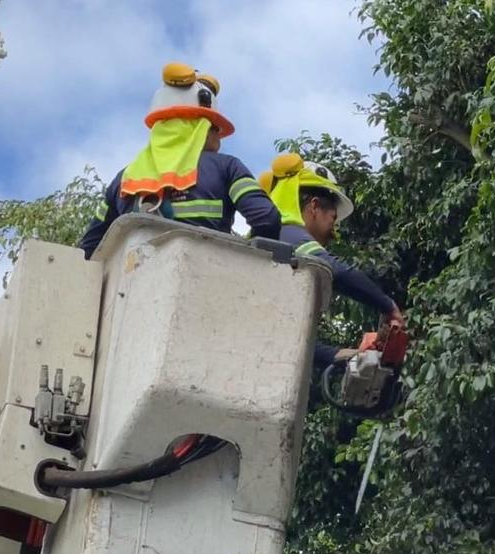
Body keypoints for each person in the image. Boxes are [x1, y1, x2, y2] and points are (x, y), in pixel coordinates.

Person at [79, 62, 280, 259]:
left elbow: (88, 249)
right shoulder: (226, 167)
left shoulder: (123, 180)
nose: (220, 139)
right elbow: (267, 219)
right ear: (202, 127)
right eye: (216, 128)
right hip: (208, 281)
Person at [260, 153, 405, 367]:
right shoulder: (287, 234)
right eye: (333, 219)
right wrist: (388, 306)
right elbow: (334, 270)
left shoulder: (276, 244)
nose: (334, 233)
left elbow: (295, 346)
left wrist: (356, 356)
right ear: (314, 206)